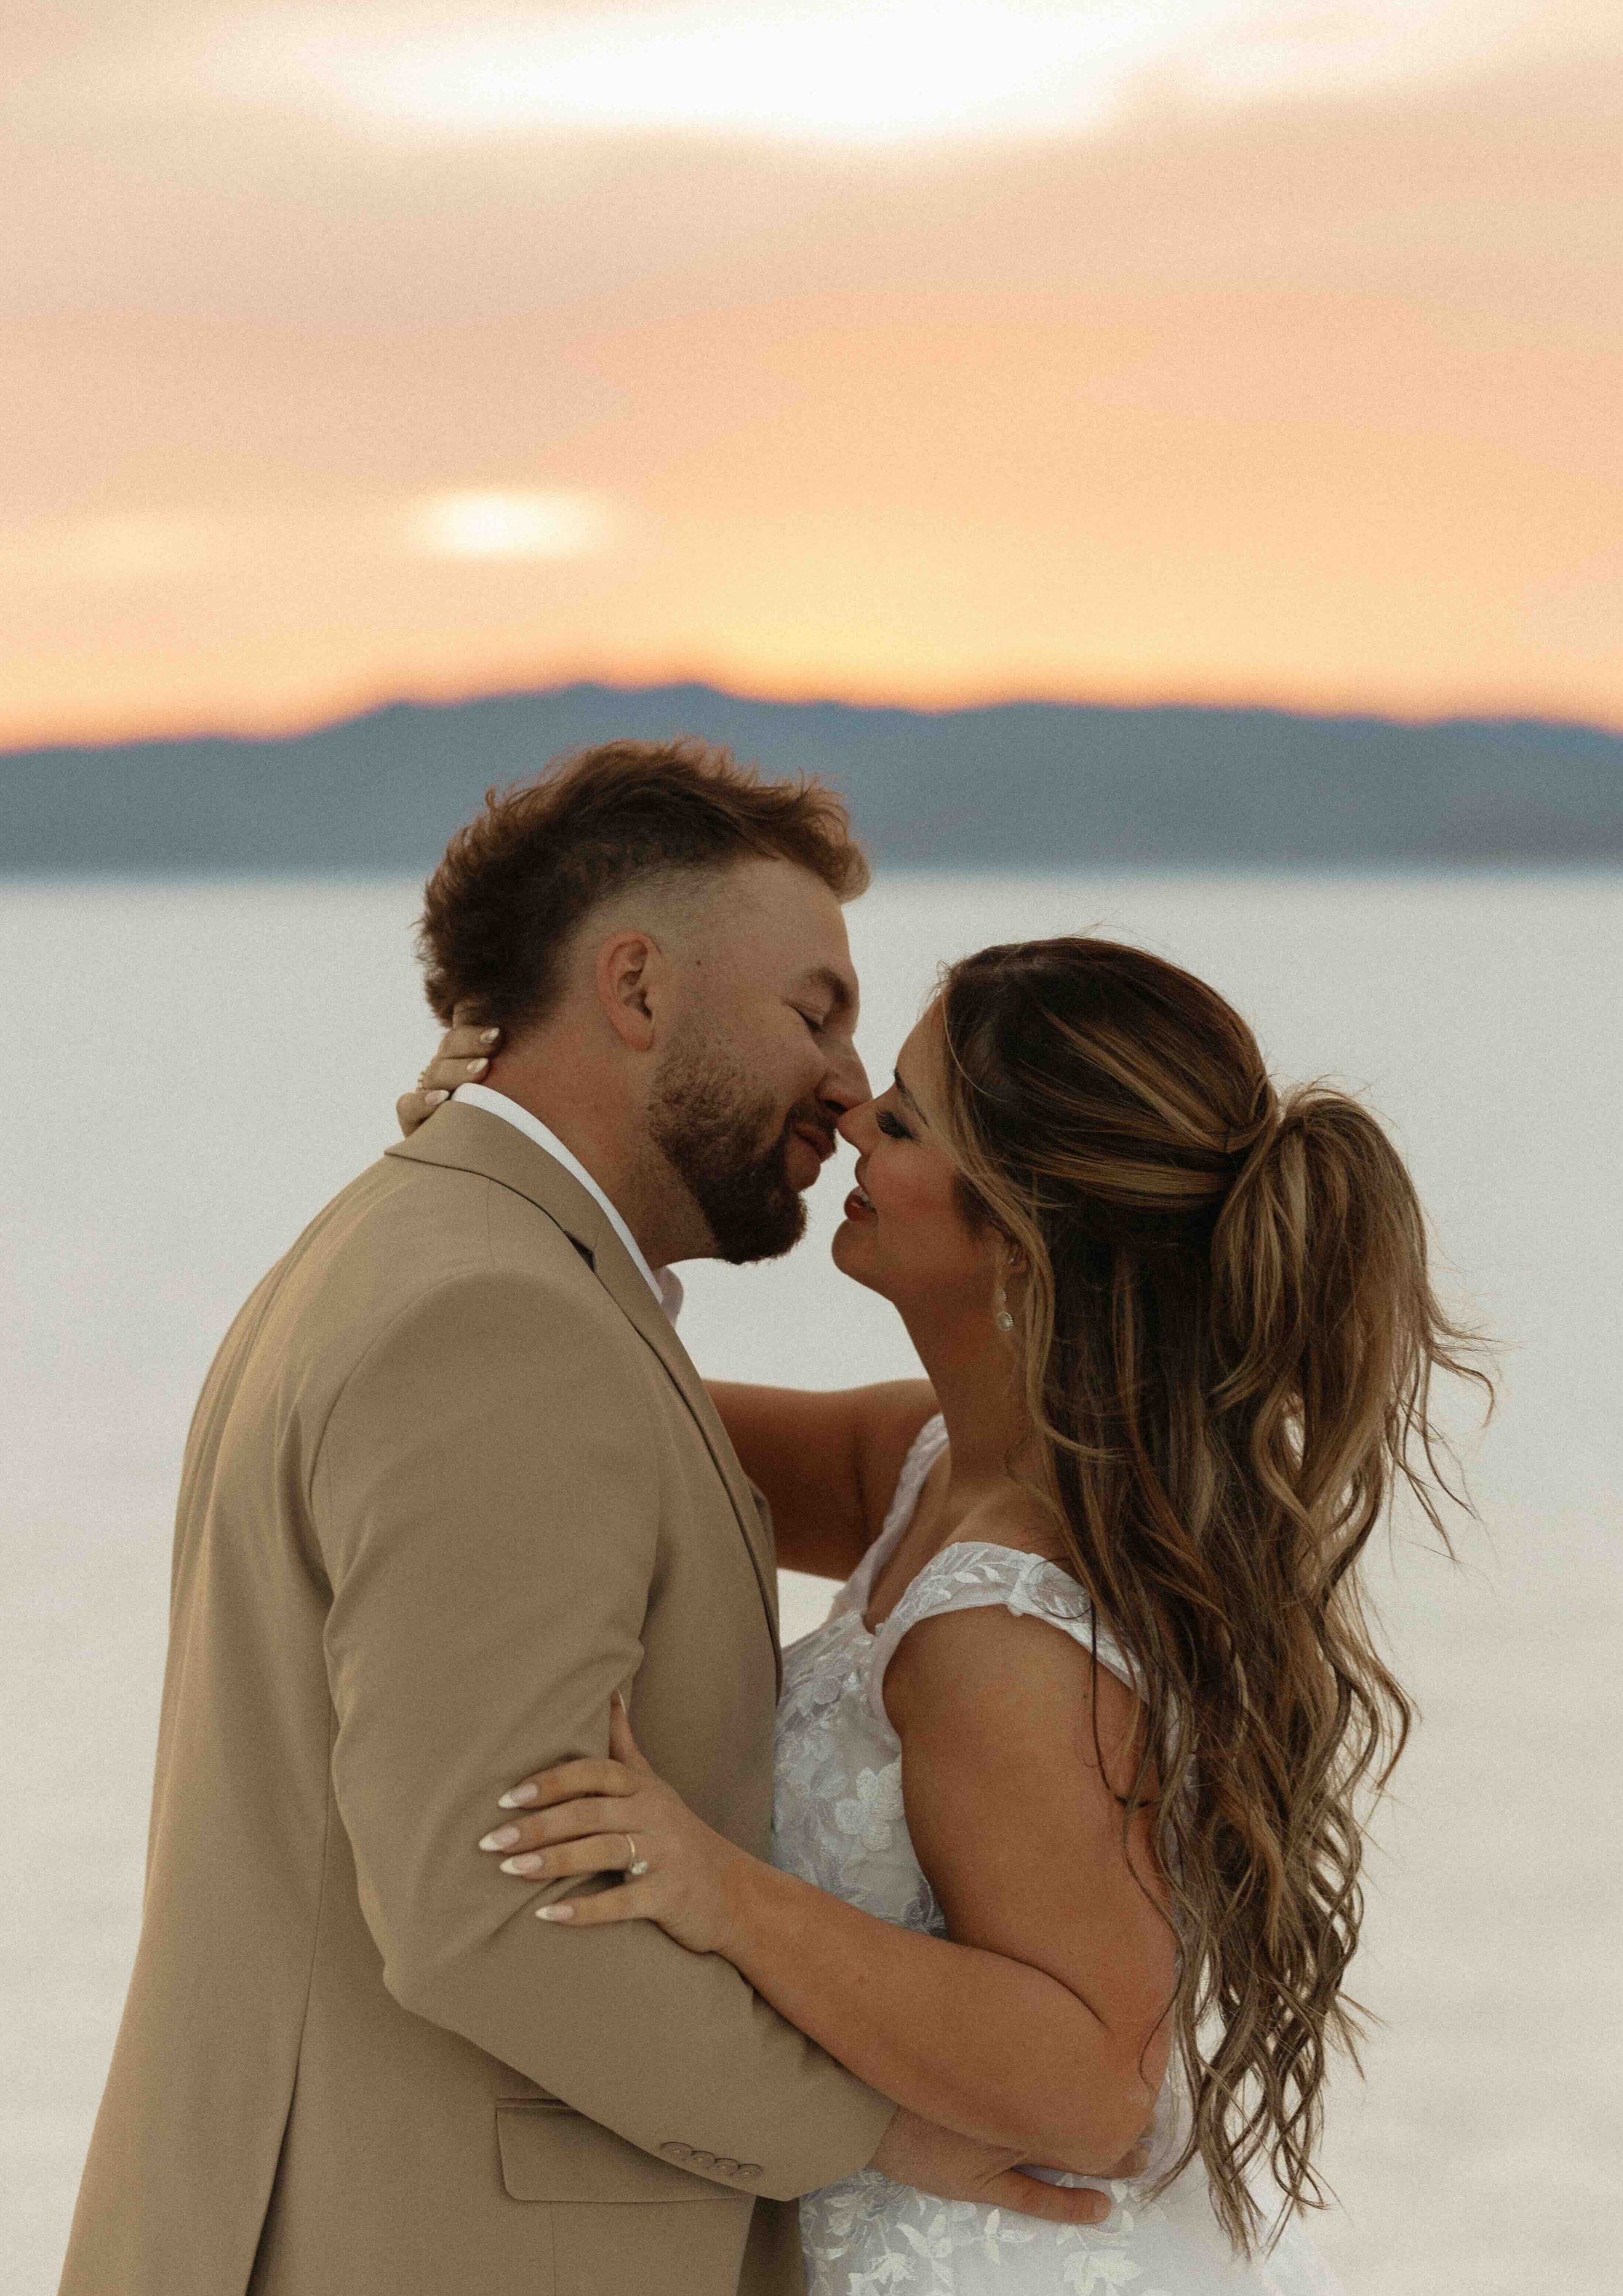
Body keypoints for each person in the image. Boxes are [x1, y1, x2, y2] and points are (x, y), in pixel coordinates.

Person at [60, 744, 1125, 2296]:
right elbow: (486, 1909)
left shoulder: (434, 1249)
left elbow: (863, 1457)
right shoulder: (499, 1320)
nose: (844, 1084)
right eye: (813, 1011)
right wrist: (859, 2131)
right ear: (635, 989)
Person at [408, 931, 1484, 2291]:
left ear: (1023, 1237)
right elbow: (611, 1409)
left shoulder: (1000, 1633)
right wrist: (510, 1171)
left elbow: (1097, 2084)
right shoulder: (936, 1463)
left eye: (904, 1120)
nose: (853, 1115)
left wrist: (714, 1890)